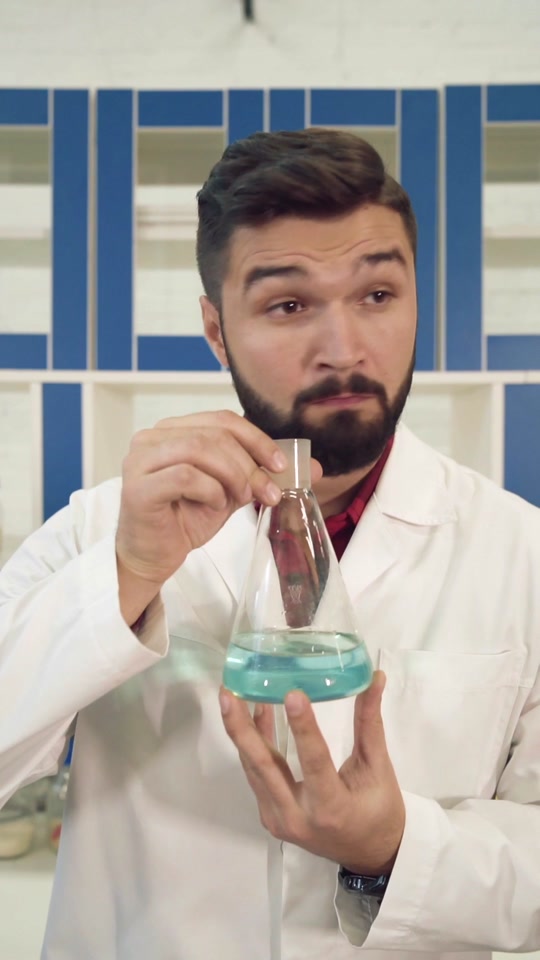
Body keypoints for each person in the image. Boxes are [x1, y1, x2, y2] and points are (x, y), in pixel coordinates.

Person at [0, 128, 539, 960]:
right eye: (288, 304)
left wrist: (395, 847)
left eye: (377, 295)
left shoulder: (519, 551)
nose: (344, 348)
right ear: (217, 331)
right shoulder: (101, 528)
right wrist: (126, 575)